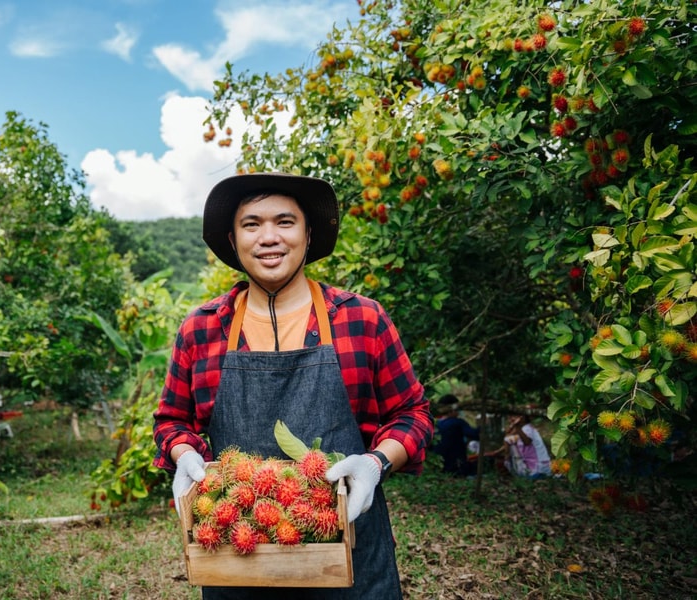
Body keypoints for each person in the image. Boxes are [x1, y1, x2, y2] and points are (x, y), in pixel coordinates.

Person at [152, 172, 433, 599]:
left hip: (348, 550)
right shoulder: (202, 328)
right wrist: (184, 452)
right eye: (252, 224)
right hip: (236, 553)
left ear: (308, 234)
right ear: (232, 240)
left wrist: (375, 464)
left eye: (285, 222)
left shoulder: (362, 319)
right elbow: (172, 420)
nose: (269, 237)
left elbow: (413, 414)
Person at [486, 414, 551, 478]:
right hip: (536, 465)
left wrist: (516, 427)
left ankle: (509, 470)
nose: (511, 419)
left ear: (522, 418)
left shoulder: (527, 429)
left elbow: (527, 442)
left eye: (514, 416)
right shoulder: (523, 429)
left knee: (510, 448)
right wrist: (496, 452)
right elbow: (508, 440)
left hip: (538, 466)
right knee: (510, 444)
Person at [430, 394, 479, 477]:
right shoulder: (457, 422)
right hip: (457, 466)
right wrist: (483, 427)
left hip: (439, 467)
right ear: (452, 410)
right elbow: (474, 434)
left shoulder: (435, 424)